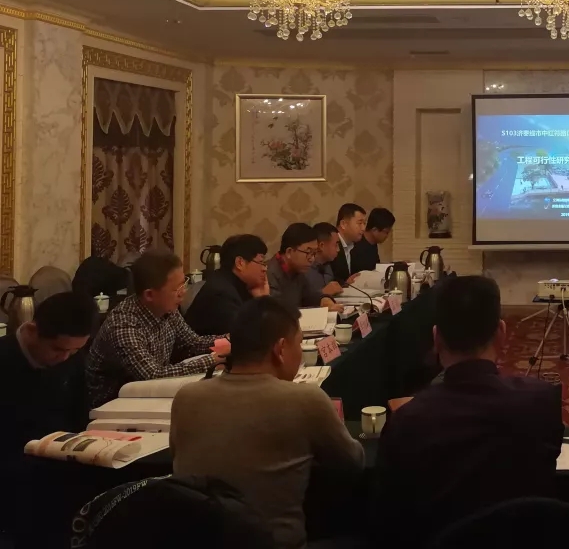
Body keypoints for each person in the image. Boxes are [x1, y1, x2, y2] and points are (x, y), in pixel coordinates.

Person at [373, 276, 564, 547]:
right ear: (501, 333)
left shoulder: (408, 419)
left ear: (436, 338)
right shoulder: (542, 401)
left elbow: (388, 520)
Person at [171, 297, 364, 549]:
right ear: (280, 349)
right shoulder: (305, 399)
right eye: (299, 343)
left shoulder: (186, 397)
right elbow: (353, 462)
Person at [86, 251, 229, 408]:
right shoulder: (124, 324)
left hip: (149, 396)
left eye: (184, 283)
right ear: (149, 295)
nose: (184, 292)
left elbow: (192, 343)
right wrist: (214, 360)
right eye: (177, 289)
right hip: (112, 406)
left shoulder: (167, 308)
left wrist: (232, 340)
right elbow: (152, 374)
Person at [0, 292, 97, 458]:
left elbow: (79, 414)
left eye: (75, 350)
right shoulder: (5, 359)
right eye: (57, 349)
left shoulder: (73, 357)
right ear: (32, 331)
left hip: (64, 455)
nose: (65, 358)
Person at [184, 234, 270, 336]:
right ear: (240, 263)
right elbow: (248, 337)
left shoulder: (238, 284)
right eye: (261, 262)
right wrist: (263, 301)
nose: (264, 269)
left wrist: (260, 299)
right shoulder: (222, 294)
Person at [267, 223, 342, 312]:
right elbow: (276, 313)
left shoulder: (298, 269)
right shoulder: (269, 274)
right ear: (289, 252)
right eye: (308, 253)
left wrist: (324, 300)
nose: (312, 259)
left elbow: (309, 296)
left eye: (314, 253)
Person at [330, 203, 366, 284]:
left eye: (364, 223)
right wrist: (345, 284)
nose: (363, 228)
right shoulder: (331, 246)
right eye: (360, 223)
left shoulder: (357, 246)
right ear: (343, 224)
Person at [308, 222, 344, 297]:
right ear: (321, 246)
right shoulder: (304, 268)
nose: (338, 249)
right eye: (336, 245)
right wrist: (322, 292)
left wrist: (346, 284)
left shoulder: (328, 265)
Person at [355, 207, 395, 272]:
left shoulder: (373, 244)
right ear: (374, 230)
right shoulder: (357, 246)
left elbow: (376, 267)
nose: (387, 236)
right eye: (386, 232)